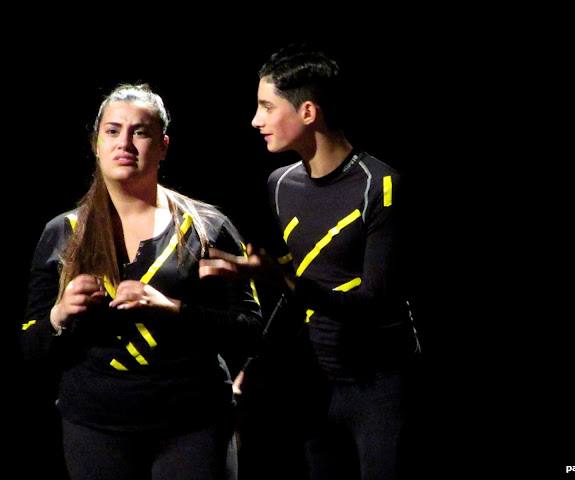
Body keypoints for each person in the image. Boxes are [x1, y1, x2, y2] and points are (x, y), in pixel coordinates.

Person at [199, 44, 422, 480]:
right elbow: (299, 291)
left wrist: (281, 279)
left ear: (307, 112)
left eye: (266, 106)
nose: (255, 120)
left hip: (382, 385)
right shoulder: (280, 184)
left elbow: (374, 303)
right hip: (318, 385)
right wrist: (253, 366)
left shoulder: (380, 186)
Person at [20, 83, 263, 480]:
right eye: (113, 131)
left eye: (141, 132)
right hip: (95, 427)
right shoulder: (63, 233)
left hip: (193, 423)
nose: (125, 143)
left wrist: (172, 309)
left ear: (163, 146)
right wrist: (59, 315)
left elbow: (250, 329)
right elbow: (31, 345)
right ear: (96, 144)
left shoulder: (206, 228)